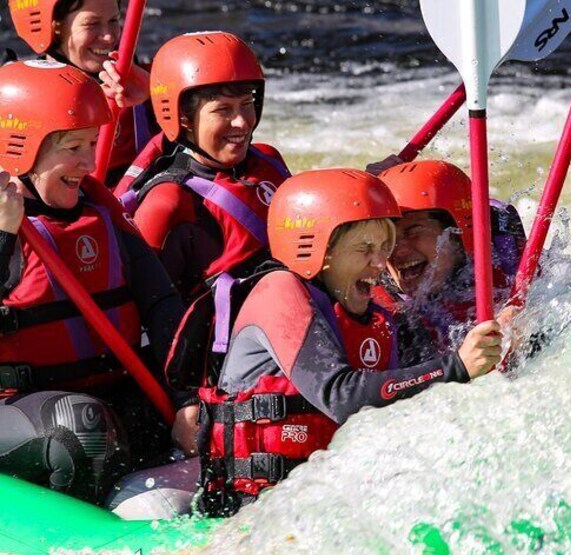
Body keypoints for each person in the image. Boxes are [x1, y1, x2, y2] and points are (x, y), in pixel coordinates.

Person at [194, 168, 503, 516]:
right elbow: (341, 396)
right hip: (248, 509)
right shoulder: (279, 291)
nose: (381, 262)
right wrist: (457, 367)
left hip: (327, 506)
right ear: (318, 251)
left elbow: (403, 400)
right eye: (365, 248)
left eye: (383, 247)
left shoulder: (376, 320)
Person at [0, 61, 186, 502]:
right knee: (81, 430)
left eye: (90, 144)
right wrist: (4, 235)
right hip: (19, 407)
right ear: (19, 149)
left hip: (107, 393)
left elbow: (162, 305)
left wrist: (188, 399)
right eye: (72, 147)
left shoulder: (99, 210)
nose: (87, 163)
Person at [115, 31, 291, 300]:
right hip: (230, 339)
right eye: (223, 110)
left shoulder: (269, 160)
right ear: (184, 118)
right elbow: (150, 316)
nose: (242, 122)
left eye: (246, 104)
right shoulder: (167, 202)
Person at [7, 0, 157, 185]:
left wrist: (154, 94)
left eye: (113, 20)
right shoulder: (19, 103)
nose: (109, 37)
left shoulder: (149, 80)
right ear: (55, 27)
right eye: (92, 24)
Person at [378, 160, 526, 347]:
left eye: (414, 231)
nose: (398, 250)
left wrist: (527, 317)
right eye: (388, 239)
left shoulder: (508, 256)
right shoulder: (382, 310)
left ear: (458, 232)